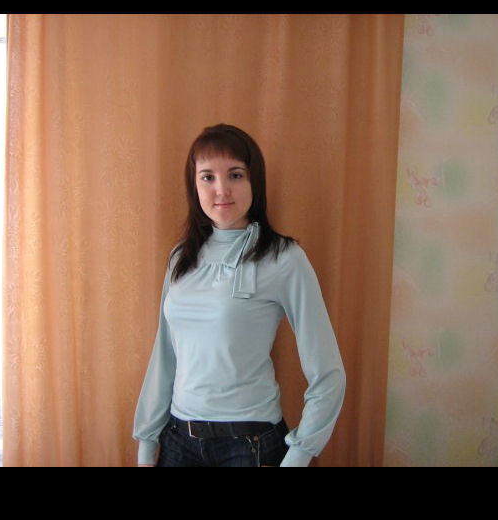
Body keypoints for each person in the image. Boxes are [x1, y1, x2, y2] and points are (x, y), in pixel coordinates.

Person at [133, 123, 346, 467]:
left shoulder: (284, 259)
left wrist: (299, 455)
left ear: (254, 182)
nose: (221, 190)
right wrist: (146, 443)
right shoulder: (181, 258)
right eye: (208, 177)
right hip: (178, 441)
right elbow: (165, 357)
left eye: (235, 175)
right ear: (194, 186)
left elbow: (328, 372)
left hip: (249, 445)